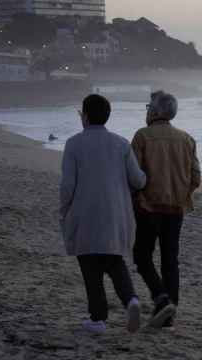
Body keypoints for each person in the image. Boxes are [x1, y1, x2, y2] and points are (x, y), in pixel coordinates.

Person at [60, 94, 147, 334]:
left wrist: (63, 210)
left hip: (84, 213)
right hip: (116, 213)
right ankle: (131, 300)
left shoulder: (73, 144)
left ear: (84, 116)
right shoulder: (121, 144)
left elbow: (67, 185)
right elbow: (138, 180)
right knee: (114, 260)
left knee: (90, 266)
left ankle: (98, 319)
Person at [131, 90, 201, 328]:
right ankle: (169, 316)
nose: (147, 109)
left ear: (157, 111)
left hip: (148, 207)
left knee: (142, 256)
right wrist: (182, 195)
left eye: (149, 105)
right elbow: (196, 178)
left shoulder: (142, 136)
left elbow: (134, 176)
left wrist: (139, 197)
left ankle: (161, 298)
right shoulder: (187, 139)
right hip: (176, 209)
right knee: (170, 260)